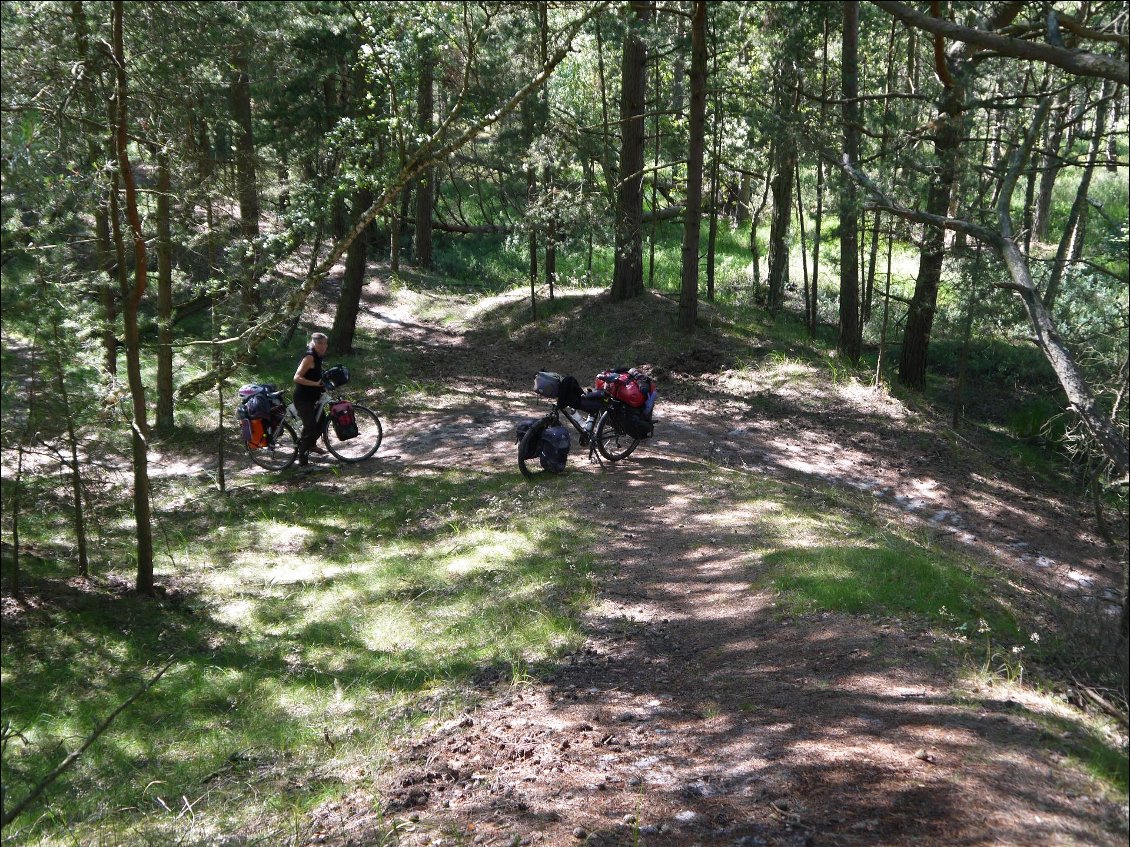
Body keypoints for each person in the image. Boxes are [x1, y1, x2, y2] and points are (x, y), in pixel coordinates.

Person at [293, 331, 329, 465]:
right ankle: (302, 460)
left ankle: (311, 445)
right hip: (303, 398)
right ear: (313, 343)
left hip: (314, 397)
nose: (323, 346)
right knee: (310, 427)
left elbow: (315, 373)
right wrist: (315, 384)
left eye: (325, 343)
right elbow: (297, 377)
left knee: (322, 422)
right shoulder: (309, 357)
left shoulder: (318, 356)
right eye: (320, 343)